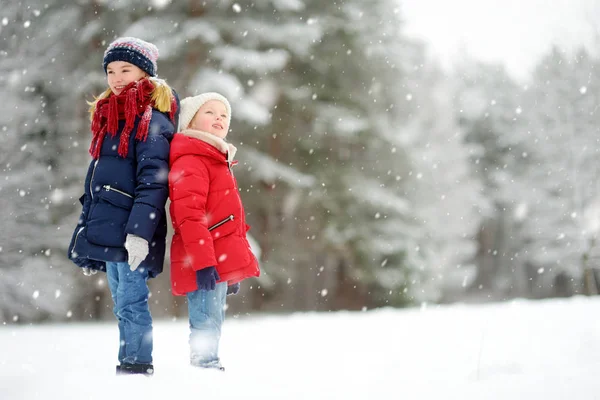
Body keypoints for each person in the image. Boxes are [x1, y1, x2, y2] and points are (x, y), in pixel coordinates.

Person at [67, 37, 179, 376]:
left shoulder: (152, 122)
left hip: (132, 230)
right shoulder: (112, 121)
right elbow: (97, 186)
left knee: (132, 302)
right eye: (111, 71)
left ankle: (137, 366)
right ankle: (128, 362)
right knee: (121, 303)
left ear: (144, 73)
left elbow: (153, 184)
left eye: (125, 70)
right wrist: (88, 235)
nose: (116, 77)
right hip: (111, 229)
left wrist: (139, 234)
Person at [168, 92, 260, 370]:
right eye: (210, 112)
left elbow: (230, 220)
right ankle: (204, 369)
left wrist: (231, 268)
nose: (219, 118)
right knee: (206, 319)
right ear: (191, 121)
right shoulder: (192, 160)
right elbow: (189, 217)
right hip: (204, 259)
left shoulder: (216, 159)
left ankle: (208, 365)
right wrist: (204, 263)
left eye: (223, 115)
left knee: (213, 319)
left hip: (217, 258)